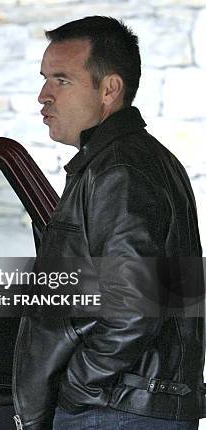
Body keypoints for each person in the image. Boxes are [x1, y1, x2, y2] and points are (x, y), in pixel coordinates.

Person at [12, 16, 204, 430]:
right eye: (44, 78)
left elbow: (134, 308)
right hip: (127, 404)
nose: (43, 95)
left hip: (116, 410)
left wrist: (79, 386)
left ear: (109, 90)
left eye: (61, 81)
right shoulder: (133, 159)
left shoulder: (120, 169)